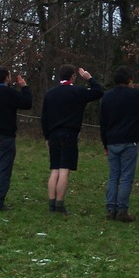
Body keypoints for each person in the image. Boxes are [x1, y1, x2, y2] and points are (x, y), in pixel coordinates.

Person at [99, 66, 139, 222]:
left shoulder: (107, 97)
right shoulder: (136, 95)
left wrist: (105, 144)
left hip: (112, 141)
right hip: (129, 141)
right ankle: (122, 210)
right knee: (126, 177)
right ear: (129, 80)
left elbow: (103, 123)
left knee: (114, 176)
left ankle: (110, 208)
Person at [41, 64, 104, 215]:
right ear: (73, 76)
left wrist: (46, 136)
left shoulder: (50, 93)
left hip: (53, 134)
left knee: (54, 169)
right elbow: (98, 92)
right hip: (69, 133)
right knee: (64, 170)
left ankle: (51, 204)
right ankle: (60, 204)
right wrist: (89, 78)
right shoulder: (78, 92)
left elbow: (44, 117)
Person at [0, 67, 33, 212]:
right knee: (3, 169)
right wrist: (24, 86)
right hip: (6, 137)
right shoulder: (9, 93)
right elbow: (27, 103)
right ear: (7, 78)